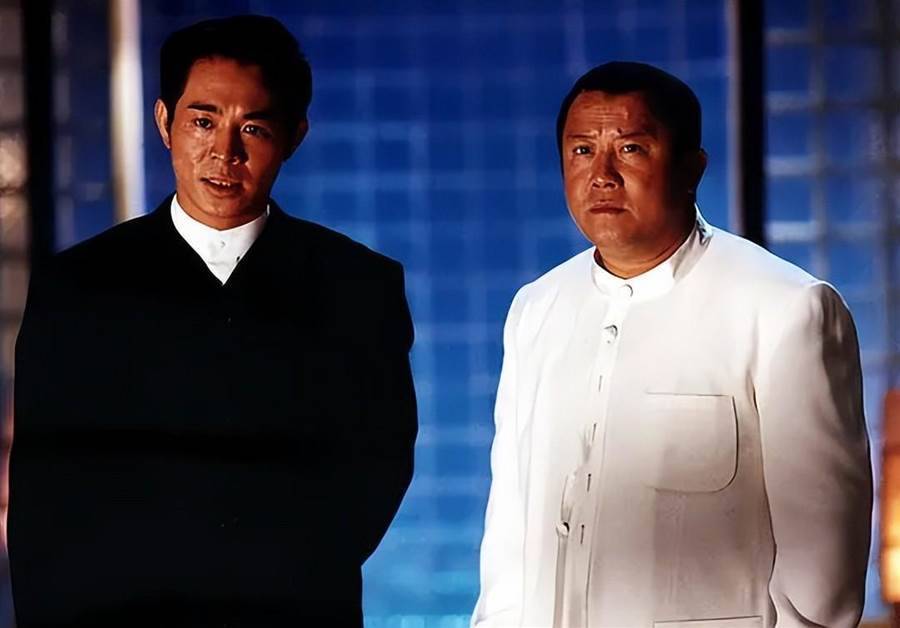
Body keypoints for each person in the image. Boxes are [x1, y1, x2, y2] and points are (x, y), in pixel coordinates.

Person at [8, 15, 417, 627]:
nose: (224, 153)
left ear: (294, 136)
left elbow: (379, 466)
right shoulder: (77, 287)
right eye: (203, 122)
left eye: (253, 128)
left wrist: (284, 568)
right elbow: (44, 499)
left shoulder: (358, 286)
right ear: (164, 122)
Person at [472, 61, 872, 628]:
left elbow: (822, 569)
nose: (601, 175)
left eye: (630, 149)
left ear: (692, 168)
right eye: (582, 150)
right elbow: (510, 528)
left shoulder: (784, 310)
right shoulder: (537, 309)